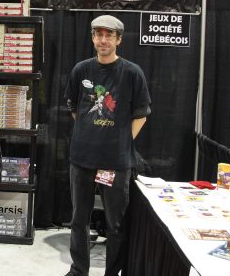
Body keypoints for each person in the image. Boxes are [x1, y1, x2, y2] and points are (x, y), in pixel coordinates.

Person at [64, 14, 151, 276]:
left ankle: (112, 273)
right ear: (93, 38)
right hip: (82, 159)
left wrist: (122, 141)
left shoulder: (132, 73)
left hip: (114, 163)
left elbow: (141, 114)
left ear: (118, 40)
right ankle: (79, 270)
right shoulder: (81, 70)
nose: (103, 40)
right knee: (79, 220)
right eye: (98, 35)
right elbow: (74, 108)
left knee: (116, 224)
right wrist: (89, 133)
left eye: (109, 35)